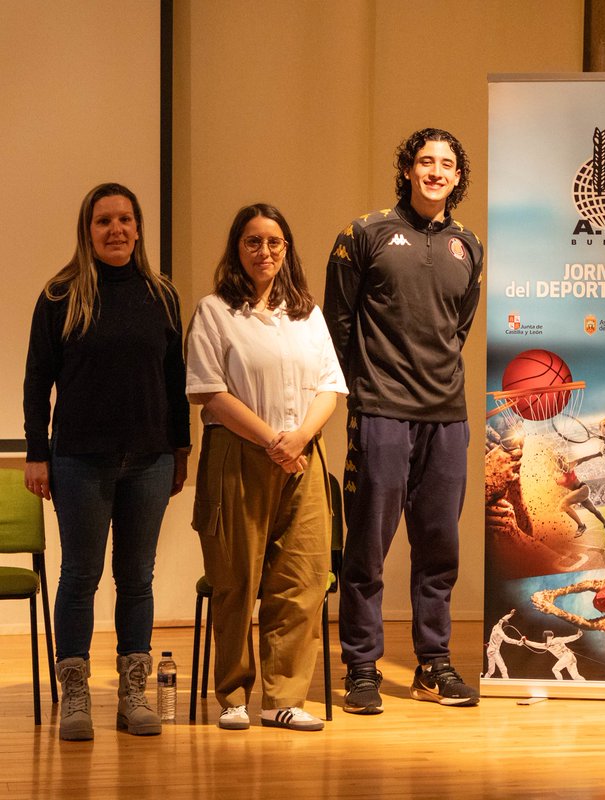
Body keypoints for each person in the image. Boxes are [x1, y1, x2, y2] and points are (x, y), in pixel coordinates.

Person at [325, 128, 485, 712]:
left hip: (446, 416)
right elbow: (336, 328)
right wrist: (362, 396)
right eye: (425, 161)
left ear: (458, 176)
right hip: (380, 412)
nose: (436, 171)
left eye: (447, 163)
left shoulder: (469, 246)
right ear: (408, 170)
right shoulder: (364, 234)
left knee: (439, 548)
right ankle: (362, 668)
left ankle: (433, 665)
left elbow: (456, 328)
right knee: (367, 547)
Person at [23, 182, 190, 741]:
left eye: (125, 219)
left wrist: (181, 449)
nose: (115, 229)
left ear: (138, 227)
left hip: (149, 460)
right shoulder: (59, 295)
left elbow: (175, 382)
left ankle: (132, 693)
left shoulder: (162, 295)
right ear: (87, 230)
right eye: (103, 221)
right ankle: (75, 694)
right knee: (80, 576)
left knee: (136, 578)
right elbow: (36, 383)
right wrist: (36, 454)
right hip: (78, 462)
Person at [186, 204, 346, 732]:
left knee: (300, 581)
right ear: (237, 248)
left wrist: (299, 438)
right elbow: (207, 390)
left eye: (275, 242)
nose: (265, 251)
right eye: (253, 241)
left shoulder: (307, 313)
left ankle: (284, 699)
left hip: (304, 454)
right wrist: (272, 439)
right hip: (238, 455)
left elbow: (331, 386)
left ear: (287, 249)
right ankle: (232, 695)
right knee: (234, 581)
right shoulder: (215, 311)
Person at [553, 452, 605, 535]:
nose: (560, 462)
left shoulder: (569, 465)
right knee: (593, 510)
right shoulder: (556, 475)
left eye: (561, 460)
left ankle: (581, 526)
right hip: (578, 493)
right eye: (558, 461)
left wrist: (597, 454)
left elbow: (583, 459)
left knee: (563, 504)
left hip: (583, 489)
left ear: (563, 459)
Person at [483, 609, 520, 679]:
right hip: (494, 651)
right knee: (503, 669)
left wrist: (511, 614)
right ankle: (507, 684)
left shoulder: (497, 625)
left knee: (491, 671)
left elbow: (504, 618)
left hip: (489, 650)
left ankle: (485, 681)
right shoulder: (500, 632)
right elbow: (507, 640)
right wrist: (518, 642)